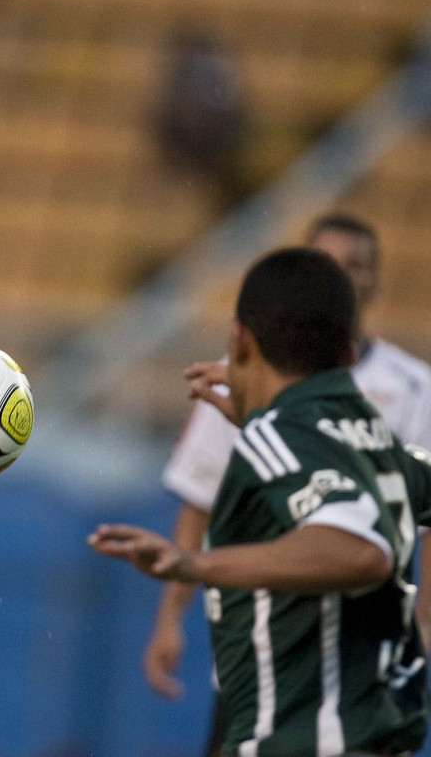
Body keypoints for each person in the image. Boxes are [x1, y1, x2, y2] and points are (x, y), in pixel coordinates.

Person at [91, 247, 430, 756]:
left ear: (240, 340)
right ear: (350, 352)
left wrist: (194, 563)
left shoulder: (277, 438)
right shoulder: (374, 443)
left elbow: (360, 550)